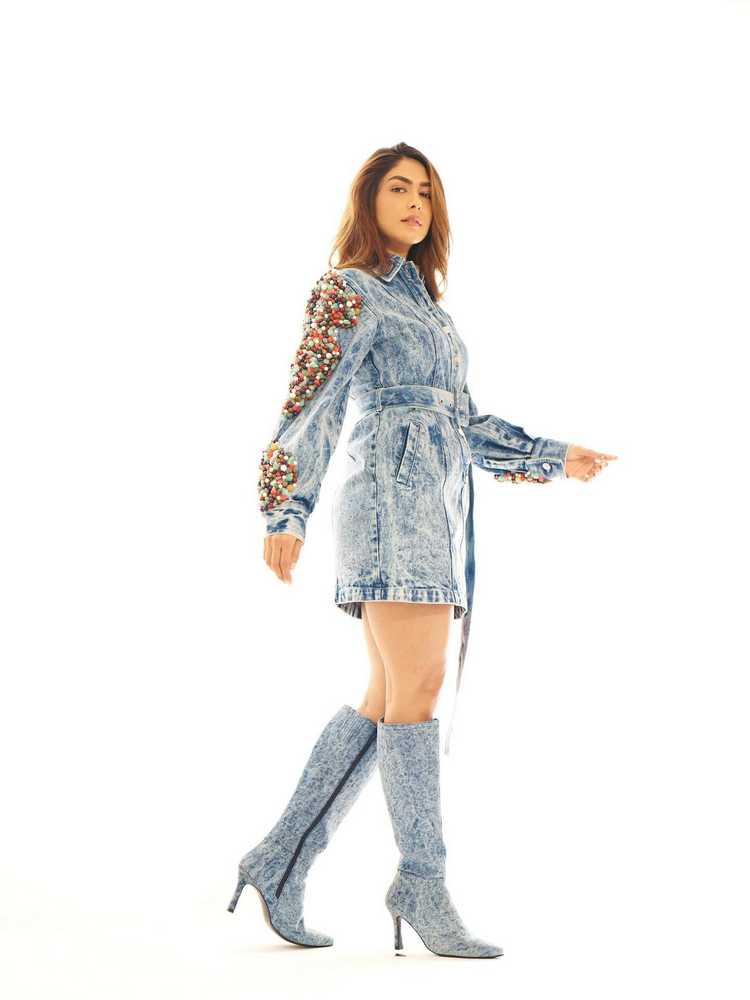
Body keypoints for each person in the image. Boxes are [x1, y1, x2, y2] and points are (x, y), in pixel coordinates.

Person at [228, 143, 618, 957]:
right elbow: (311, 402)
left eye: (427, 193)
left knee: (389, 696)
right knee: (419, 687)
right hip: (387, 504)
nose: (415, 203)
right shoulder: (349, 289)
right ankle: (422, 880)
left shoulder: (429, 309)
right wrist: (285, 509)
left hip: (436, 510)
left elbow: (462, 422)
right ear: (369, 200)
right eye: (399, 189)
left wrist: (553, 456)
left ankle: (279, 861)